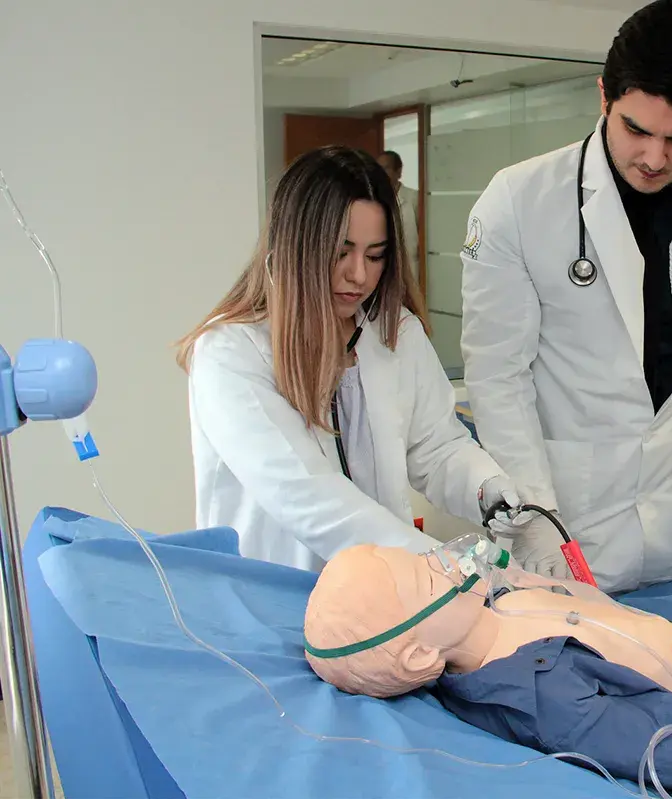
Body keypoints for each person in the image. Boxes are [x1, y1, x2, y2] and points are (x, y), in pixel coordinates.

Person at [459, 0, 672, 592]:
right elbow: (498, 378)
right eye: (636, 129)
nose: (654, 158)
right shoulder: (520, 200)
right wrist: (535, 517)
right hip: (570, 518)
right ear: (603, 96)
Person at [302, 539, 672, 799]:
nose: (443, 561)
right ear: (417, 655)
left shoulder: (495, 603)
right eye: (423, 575)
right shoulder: (536, 692)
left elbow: (588, 606)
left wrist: (519, 578)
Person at [176, 145, 537, 571]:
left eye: (375, 255)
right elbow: (309, 497)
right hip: (277, 598)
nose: (359, 275)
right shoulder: (231, 352)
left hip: (385, 599)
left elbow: (435, 446)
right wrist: (442, 565)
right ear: (296, 246)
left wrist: (485, 488)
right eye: (340, 251)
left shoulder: (394, 331)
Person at [376, 150, 421, 285]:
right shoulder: (375, 200)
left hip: (411, 268)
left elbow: (424, 237)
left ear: (399, 171)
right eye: (379, 169)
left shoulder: (414, 198)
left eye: (386, 168)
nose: (382, 174)